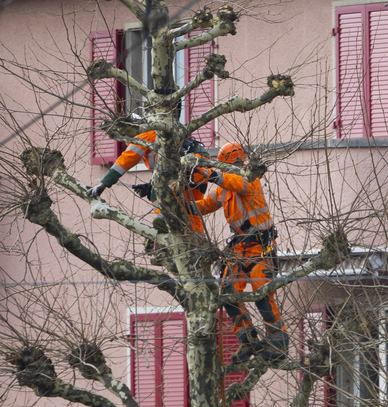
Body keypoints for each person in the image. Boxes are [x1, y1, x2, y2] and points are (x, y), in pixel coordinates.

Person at [198, 142, 287, 362]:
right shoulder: (224, 189)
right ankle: (249, 341)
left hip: (260, 248)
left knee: (263, 295)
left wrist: (205, 171)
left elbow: (231, 180)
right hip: (239, 249)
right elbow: (204, 205)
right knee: (227, 294)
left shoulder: (249, 179)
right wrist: (174, 203)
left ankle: (278, 344)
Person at [85, 115, 209, 233]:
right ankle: (196, 241)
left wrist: (103, 185)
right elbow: (165, 166)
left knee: (158, 190)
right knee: (191, 210)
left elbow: (126, 160)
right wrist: (148, 185)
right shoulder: (156, 133)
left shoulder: (144, 135)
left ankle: (164, 219)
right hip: (200, 170)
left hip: (191, 167)